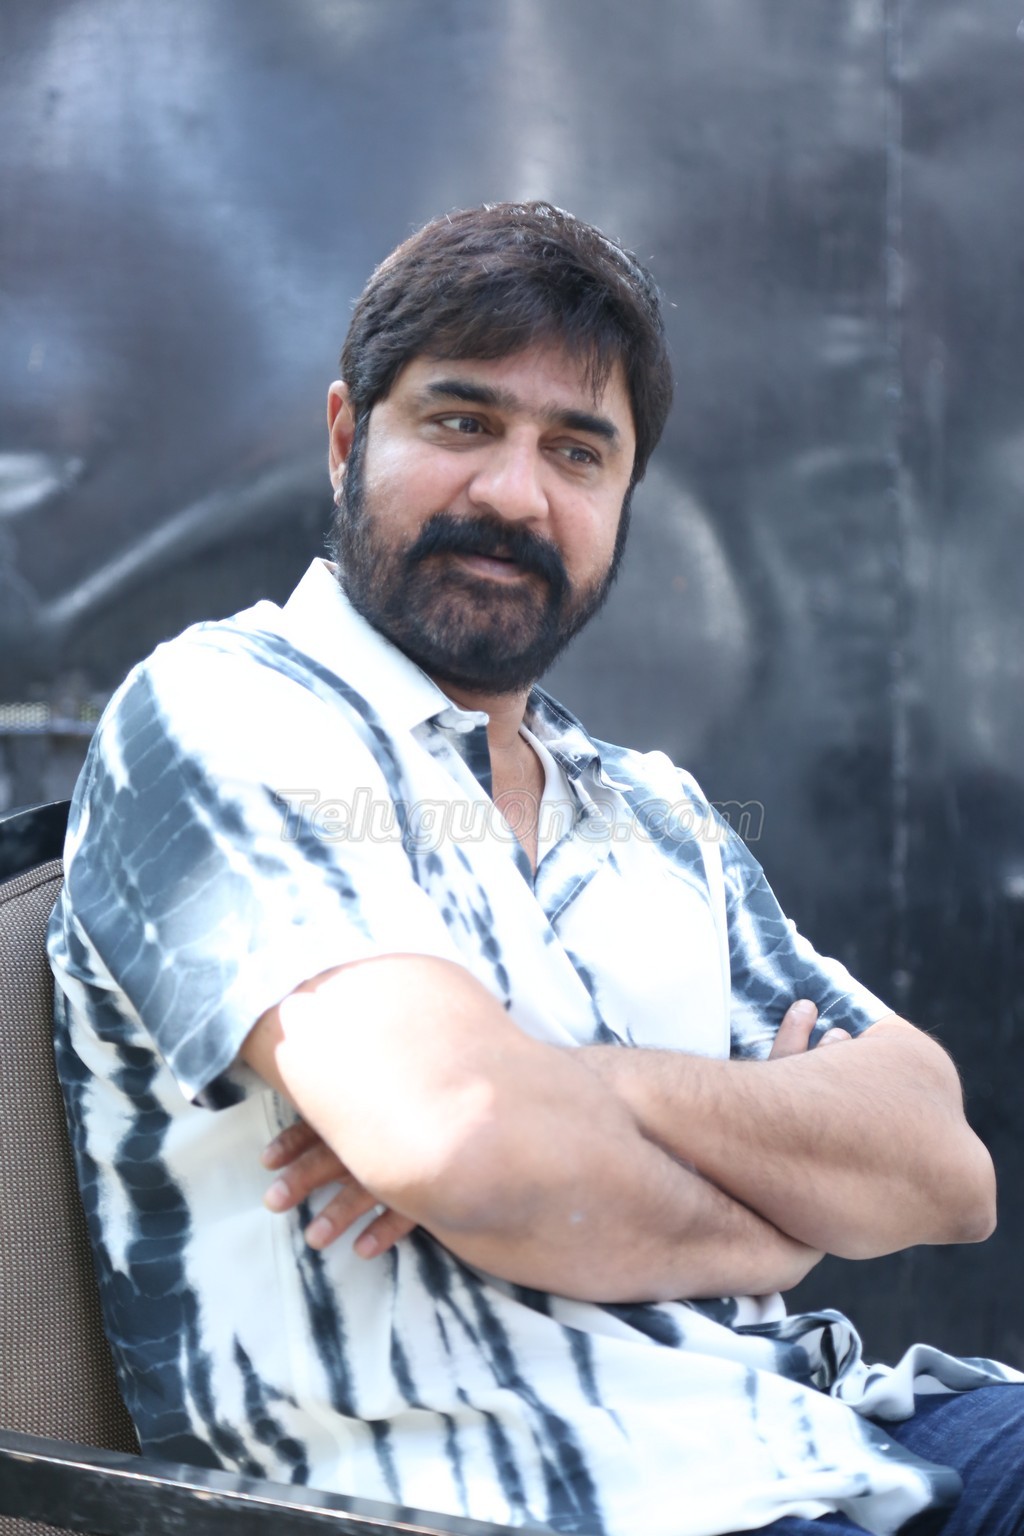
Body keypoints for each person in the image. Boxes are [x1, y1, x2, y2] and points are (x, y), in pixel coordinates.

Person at [48, 202, 1022, 1536]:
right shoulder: (228, 713)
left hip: (829, 1432)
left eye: (577, 450)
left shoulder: (650, 808)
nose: (515, 495)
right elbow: (473, 1143)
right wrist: (786, 1210)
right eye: (462, 422)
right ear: (346, 439)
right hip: (510, 1501)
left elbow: (941, 1167)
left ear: (621, 502)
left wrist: (589, 1085)